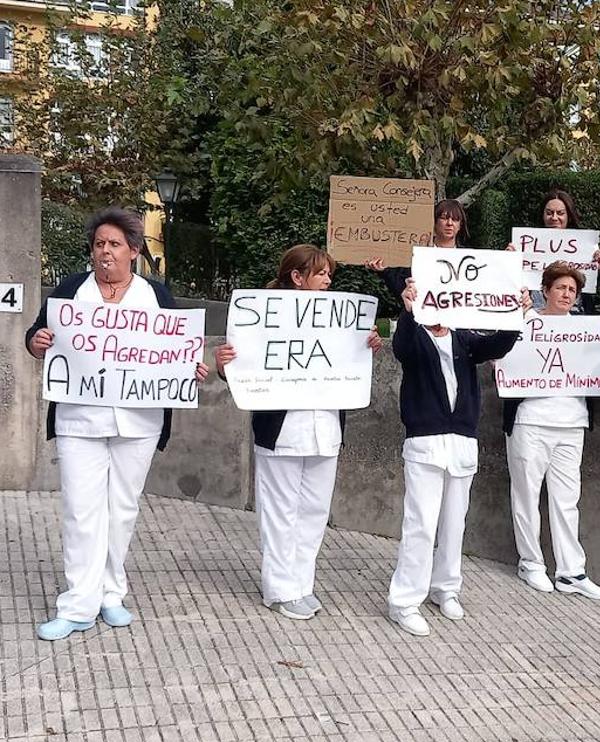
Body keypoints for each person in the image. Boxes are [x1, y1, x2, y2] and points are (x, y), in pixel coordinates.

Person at [24, 207, 209, 641]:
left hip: (138, 423)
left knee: (121, 510)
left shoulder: (156, 296)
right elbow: (35, 335)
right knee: (80, 510)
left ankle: (111, 593)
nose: (105, 252)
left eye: (114, 244)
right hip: (79, 420)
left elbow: (178, 350)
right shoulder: (71, 289)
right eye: (99, 244)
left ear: (134, 251)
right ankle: (77, 604)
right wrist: (37, 342)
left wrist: (192, 369)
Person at [213, 245, 382, 621]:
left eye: (329, 276)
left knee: (313, 511)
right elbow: (243, 366)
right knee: (279, 511)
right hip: (281, 429)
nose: (327, 281)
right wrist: (224, 366)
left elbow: (350, 360)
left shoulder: (340, 319)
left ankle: (302, 584)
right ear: (297, 277)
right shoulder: (262, 315)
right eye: (321, 274)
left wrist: (366, 343)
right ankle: (279, 588)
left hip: (325, 428)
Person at [387, 273, 532, 636]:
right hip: (426, 440)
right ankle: (404, 600)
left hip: (462, 441)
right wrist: (407, 311)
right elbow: (402, 349)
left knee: (455, 520)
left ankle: (446, 587)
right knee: (420, 522)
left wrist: (516, 314)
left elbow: (497, 345)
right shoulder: (416, 335)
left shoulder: (464, 339)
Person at [503, 262, 600, 600]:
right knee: (525, 494)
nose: (566, 294)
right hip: (530, 419)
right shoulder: (526, 322)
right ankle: (531, 563)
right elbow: (502, 355)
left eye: (572, 290)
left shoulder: (586, 328)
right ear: (547, 290)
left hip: (572, 422)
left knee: (568, 499)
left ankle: (571, 571)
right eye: (560, 288)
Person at [509, 190, 600, 312]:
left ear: (569, 216)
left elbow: (595, 286)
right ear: (542, 215)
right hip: (533, 313)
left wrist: (599, 270)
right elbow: (511, 282)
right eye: (549, 213)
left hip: (576, 315)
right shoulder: (526, 243)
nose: (554, 217)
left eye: (560, 213)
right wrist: (509, 261)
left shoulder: (586, 247)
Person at [367, 197, 469, 305]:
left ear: (460, 225)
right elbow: (400, 290)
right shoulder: (415, 255)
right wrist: (383, 271)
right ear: (434, 222)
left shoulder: (469, 259)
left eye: (455, 219)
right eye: (444, 218)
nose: (449, 223)